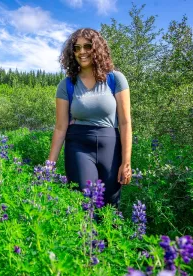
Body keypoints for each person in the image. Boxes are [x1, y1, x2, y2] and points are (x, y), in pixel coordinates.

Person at [47, 28, 132, 206]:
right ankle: (86, 235)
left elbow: (125, 122)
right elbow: (60, 127)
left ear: (97, 48)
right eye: (76, 48)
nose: (82, 52)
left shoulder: (115, 79)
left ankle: (107, 236)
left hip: (110, 145)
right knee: (84, 202)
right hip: (78, 145)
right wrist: (50, 165)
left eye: (87, 46)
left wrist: (126, 162)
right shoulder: (67, 84)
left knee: (110, 206)